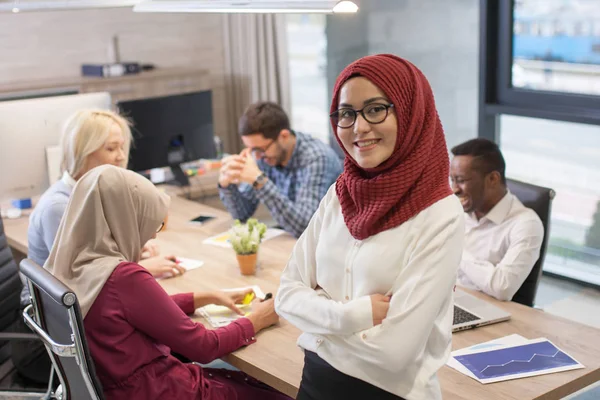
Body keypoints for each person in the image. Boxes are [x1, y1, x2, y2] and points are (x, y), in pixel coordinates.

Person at [275, 54, 464, 400]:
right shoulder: (340, 193)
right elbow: (285, 297)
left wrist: (317, 310)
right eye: (346, 113)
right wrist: (356, 314)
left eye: (376, 109)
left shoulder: (440, 215)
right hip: (315, 382)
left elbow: (393, 354)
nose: (359, 127)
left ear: (410, 112)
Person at [44, 165, 289, 400]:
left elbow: (134, 310)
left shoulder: (67, 266)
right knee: (281, 393)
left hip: (120, 390)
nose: (152, 234)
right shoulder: (122, 277)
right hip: (161, 390)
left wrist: (207, 296)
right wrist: (257, 319)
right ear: (124, 219)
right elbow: (204, 347)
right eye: (151, 225)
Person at [12, 109, 184, 385]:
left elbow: (93, 259)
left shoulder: (92, 197)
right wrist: (142, 266)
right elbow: (87, 280)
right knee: (170, 344)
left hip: (74, 324)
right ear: (82, 152)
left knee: (168, 338)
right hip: (48, 341)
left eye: (122, 147)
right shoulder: (59, 206)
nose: (120, 157)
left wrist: (134, 249)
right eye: (111, 148)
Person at [218, 102, 342, 237]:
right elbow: (242, 214)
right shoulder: (264, 157)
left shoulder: (317, 158)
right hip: (293, 241)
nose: (256, 156)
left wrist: (259, 181)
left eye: (260, 149)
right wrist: (226, 185)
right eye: (252, 149)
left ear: (284, 136)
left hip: (329, 241)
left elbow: (305, 227)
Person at [450, 138, 544, 301]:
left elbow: (503, 287)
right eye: (452, 179)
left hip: (486, 309)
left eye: (462, 180)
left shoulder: (526, 224)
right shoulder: (457, 210)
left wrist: (453, 250)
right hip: (448, 299)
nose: (454, 189)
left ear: (493, 179)